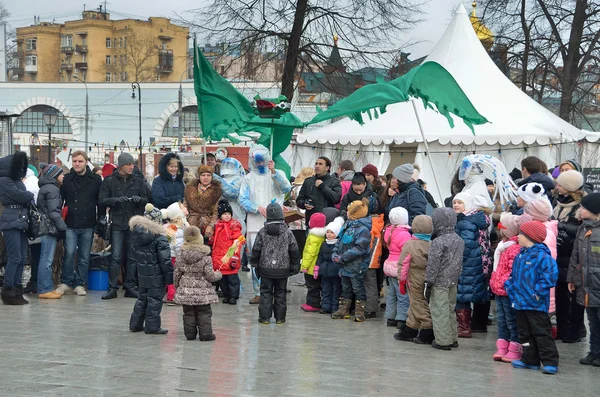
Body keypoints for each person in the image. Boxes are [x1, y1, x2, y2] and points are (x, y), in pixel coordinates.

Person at [239, 144, 291, 304]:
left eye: (263, 161)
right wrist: (256, 207)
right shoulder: (247, 179)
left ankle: (276, 289)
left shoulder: (277, 174)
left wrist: (274, 173)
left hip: (276, 224)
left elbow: (286, 188)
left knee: (277, 256)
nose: (260, 164)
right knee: (255, 258)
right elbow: (242, 199)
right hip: (255, 224)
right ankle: (259, 291)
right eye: (257, 162)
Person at [506, 221, 559, 375]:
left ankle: (550, 361)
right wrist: (510, 288)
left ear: (530, 237)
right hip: (520, 303)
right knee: (524, 333)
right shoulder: (520, 255)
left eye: (521, 234)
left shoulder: (543, 257)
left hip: (535, 304)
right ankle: (530, 359)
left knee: (541, 332)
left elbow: (549, 278)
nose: (518, 237)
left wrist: (536, 293)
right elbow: (513, 276)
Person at [99, 152, 150, 300]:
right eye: (128, 164)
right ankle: (112, 288)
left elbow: (147, 200)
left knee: (132, 256)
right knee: (115, 256)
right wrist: (115, 200)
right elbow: (102, 200)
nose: (131, 166)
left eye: (132, 164)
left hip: (133, 222)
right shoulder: (109, 181)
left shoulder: (138, 181)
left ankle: (130, 287)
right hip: (117, 223)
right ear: (121, 166)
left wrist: (139, 199)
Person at [57, 151, 102, 296]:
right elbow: (60, 200)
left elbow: (99, 202)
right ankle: (66, 282)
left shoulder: (95, 180)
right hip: (70, 222)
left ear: (86, 162)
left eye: (80, 161)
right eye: (74, 161)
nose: (76, 163)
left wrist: (100, 220)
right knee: (69, 253)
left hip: (88, 222)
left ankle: (79, 283)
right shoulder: (68, 179)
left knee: (84, 255)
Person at [251, 202, 300, 324]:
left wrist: (254, 264)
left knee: (266, 293)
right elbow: (294, 250)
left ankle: (264, 317)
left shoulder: (262, 232)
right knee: (280, 293)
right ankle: (280, 318)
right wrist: (294, 266)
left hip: (265, 268)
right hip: (283, 269)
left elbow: (256, 249)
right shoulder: (288, 232)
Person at [552, 169, 586, 342]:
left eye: (560, 184)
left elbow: (581, 231)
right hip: (559, 255)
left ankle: (576, 329)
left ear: (569, 187)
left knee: (574, 297)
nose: (557, 187)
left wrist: (560, 227)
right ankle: (562, 328)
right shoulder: (558, 205)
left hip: (574, 257)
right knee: (560, 297)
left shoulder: (581, 208)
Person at [424, 208, 465, 350]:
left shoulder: (438, 242)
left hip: (439, 281)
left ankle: (443, 340)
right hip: (453, 280)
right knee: (449, 309)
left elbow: (433, 264)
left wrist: (428, 282)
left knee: (439, 310)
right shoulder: (459, 240)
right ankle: (453, 338)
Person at [567, 193, 600, 366]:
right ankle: (594, 351)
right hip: (586, 284)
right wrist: (572, 278)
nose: (580, 209)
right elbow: (575, 255)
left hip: (598, 283)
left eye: (584, 207)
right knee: (593, 321)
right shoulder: (582, 228)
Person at [489, 213, 527, 362]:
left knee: (511, 319)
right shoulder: (503, 246)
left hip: (507, 289)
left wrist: (504, 282)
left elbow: (512, 270)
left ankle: (515, 347)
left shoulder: (514, 248)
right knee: (502, 319)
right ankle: (503, 345)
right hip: (498, 288)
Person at [453, 192, 491, 338]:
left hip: (467, 263)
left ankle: (464, 328)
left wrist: (457, 259)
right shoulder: (478, 219)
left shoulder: (465, 222)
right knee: (479, 293)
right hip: (479, 261)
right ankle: (479, 325)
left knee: (462, 295)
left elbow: (466, 244)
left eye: (460, 202)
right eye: (455, 202)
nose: (456, 204)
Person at [174, 226, 222, 341]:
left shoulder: (180, 257)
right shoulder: (206, 258)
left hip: (186, 291)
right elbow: (210, 276)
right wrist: (219, 274)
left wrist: (178, 286)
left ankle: (190, 335)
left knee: (188, 313)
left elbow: (176, 274)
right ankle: (205, 335)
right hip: (203, 292)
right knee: (204, 313)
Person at [128, 215, 174, 335]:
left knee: (142, 299)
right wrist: (170, 280)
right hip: (157, 277)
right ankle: (152, 327)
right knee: (154, 300)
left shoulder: (136, 236)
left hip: (142, 275)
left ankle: (135, 324)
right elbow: (166, 261)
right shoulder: (160, 239)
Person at [0, 152, 35, 305]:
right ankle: (9, 290)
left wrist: (25, 195)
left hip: (19, 220)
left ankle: (16, 289)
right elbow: (21, 195)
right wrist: (27, 195)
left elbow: (22, 195)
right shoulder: (4, 180)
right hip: (12, 220)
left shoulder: (12, 180)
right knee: (15, 258)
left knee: (21, 259)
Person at [331, 199, 372, 322]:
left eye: (349, 211)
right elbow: (340, 240)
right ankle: (343, 310)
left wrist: (343, 257)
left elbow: (359, 248)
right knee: (345, 288)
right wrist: (335, 253)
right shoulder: (347, 225)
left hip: (356, 266)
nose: (346, 213)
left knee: (357, 288)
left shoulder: (363, 230)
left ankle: (360, 311)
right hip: (344, 265)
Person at [397, 215, 434, 344]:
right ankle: (410, 329)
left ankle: (427, 330)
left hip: (413, 277)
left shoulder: (410, 244)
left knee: (418, 303)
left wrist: (401, 280)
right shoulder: (432, 243)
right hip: (427, 278)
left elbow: (402, 264)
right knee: (415, 303)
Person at [36, 165, 67, 299]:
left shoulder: (45, 187)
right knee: (47, 259)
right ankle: (44, 289)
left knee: (44, 258)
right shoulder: (53, 189)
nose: (63, 176)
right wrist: (63, 228)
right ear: (54, 175)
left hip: (44, 226)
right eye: (60, 174)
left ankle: (46, 287)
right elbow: (54, 213)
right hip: (49, 227)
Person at [383, 207, 412, 331]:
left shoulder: (388, 231)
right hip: (399, 266)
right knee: (402, 294)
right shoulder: (404, 234)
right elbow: (408, 252)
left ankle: (390, 317)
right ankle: (402, 318)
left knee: (391, 294)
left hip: (389, 264)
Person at [211, 200, 243, 305]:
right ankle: (226, 295)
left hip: (229, 255)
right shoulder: (217, 226)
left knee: (232, 279)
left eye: (228, 214)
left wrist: (231, 254)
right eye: (224, 214)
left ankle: (233, 296)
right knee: (223, 280)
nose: (227, 216)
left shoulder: (234, 226)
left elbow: (239, 239)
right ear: (220, 215)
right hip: (219, 256)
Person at [296, 156, 342, 226]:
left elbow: (336, 198)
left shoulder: (334, 182)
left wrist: (322, 186)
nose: (317, 166)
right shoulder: (308, 181)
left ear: (327, 168)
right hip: (311, 220)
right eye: (316, 164)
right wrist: (304, 204)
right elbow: (299, 200)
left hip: (327, 221)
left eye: (320, 164)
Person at [160, 202, 189, 304]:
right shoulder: (177, 229)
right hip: (175, 257)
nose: (186, 208)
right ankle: (172, 296)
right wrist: (182, 256)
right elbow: (177, 244)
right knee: (174, 277)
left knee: (170, 276)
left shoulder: (176, 227)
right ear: (179, 213)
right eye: (183, 207)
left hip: (172, 256)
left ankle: (167, 294)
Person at [184, 165, 222, 240]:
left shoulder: (216, 191)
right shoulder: (189, 189)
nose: (206, 177)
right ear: (199, 176)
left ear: (212, 177)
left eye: (208, 175)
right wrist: (185, 222)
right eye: (203, 175)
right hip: (191, 223)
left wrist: (211, 226)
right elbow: (185, 207)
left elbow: (216, 212)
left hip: (208, 222)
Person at [212, 157, 247, 235]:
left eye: (231, 165)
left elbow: (232, 194)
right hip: (222, 218)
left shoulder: (240, 179)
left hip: (237, 217)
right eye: (227, 165)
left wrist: (216, 178)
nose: (228, 167)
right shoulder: (222, 179)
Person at [316, 217, 344, 314]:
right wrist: (317, 267)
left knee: (336, 290)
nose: (329, 234)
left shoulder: (339, 244)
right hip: (325, 270)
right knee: (325, 289)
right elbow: (319, 256)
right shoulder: (324, 243)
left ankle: (335, 307)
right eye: (328, 232)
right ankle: (325, 306)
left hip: (335, 271)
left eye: (332, 232)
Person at [300, 212, 326, 312]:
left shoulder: (313, 237)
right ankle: (319, 302)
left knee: (312, 286)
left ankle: (312, 304)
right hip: (318, 267)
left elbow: (309, 253)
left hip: (311, 267)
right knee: (318, 285)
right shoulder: (322, 236)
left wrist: (304, 266)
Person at [23, 165, 40, 294]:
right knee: (37, 255)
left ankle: (34, 282)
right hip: (37, 226)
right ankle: (35, 281)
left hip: (31, 226)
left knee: (35, 255)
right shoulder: (35, 182)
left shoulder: (28, 184)